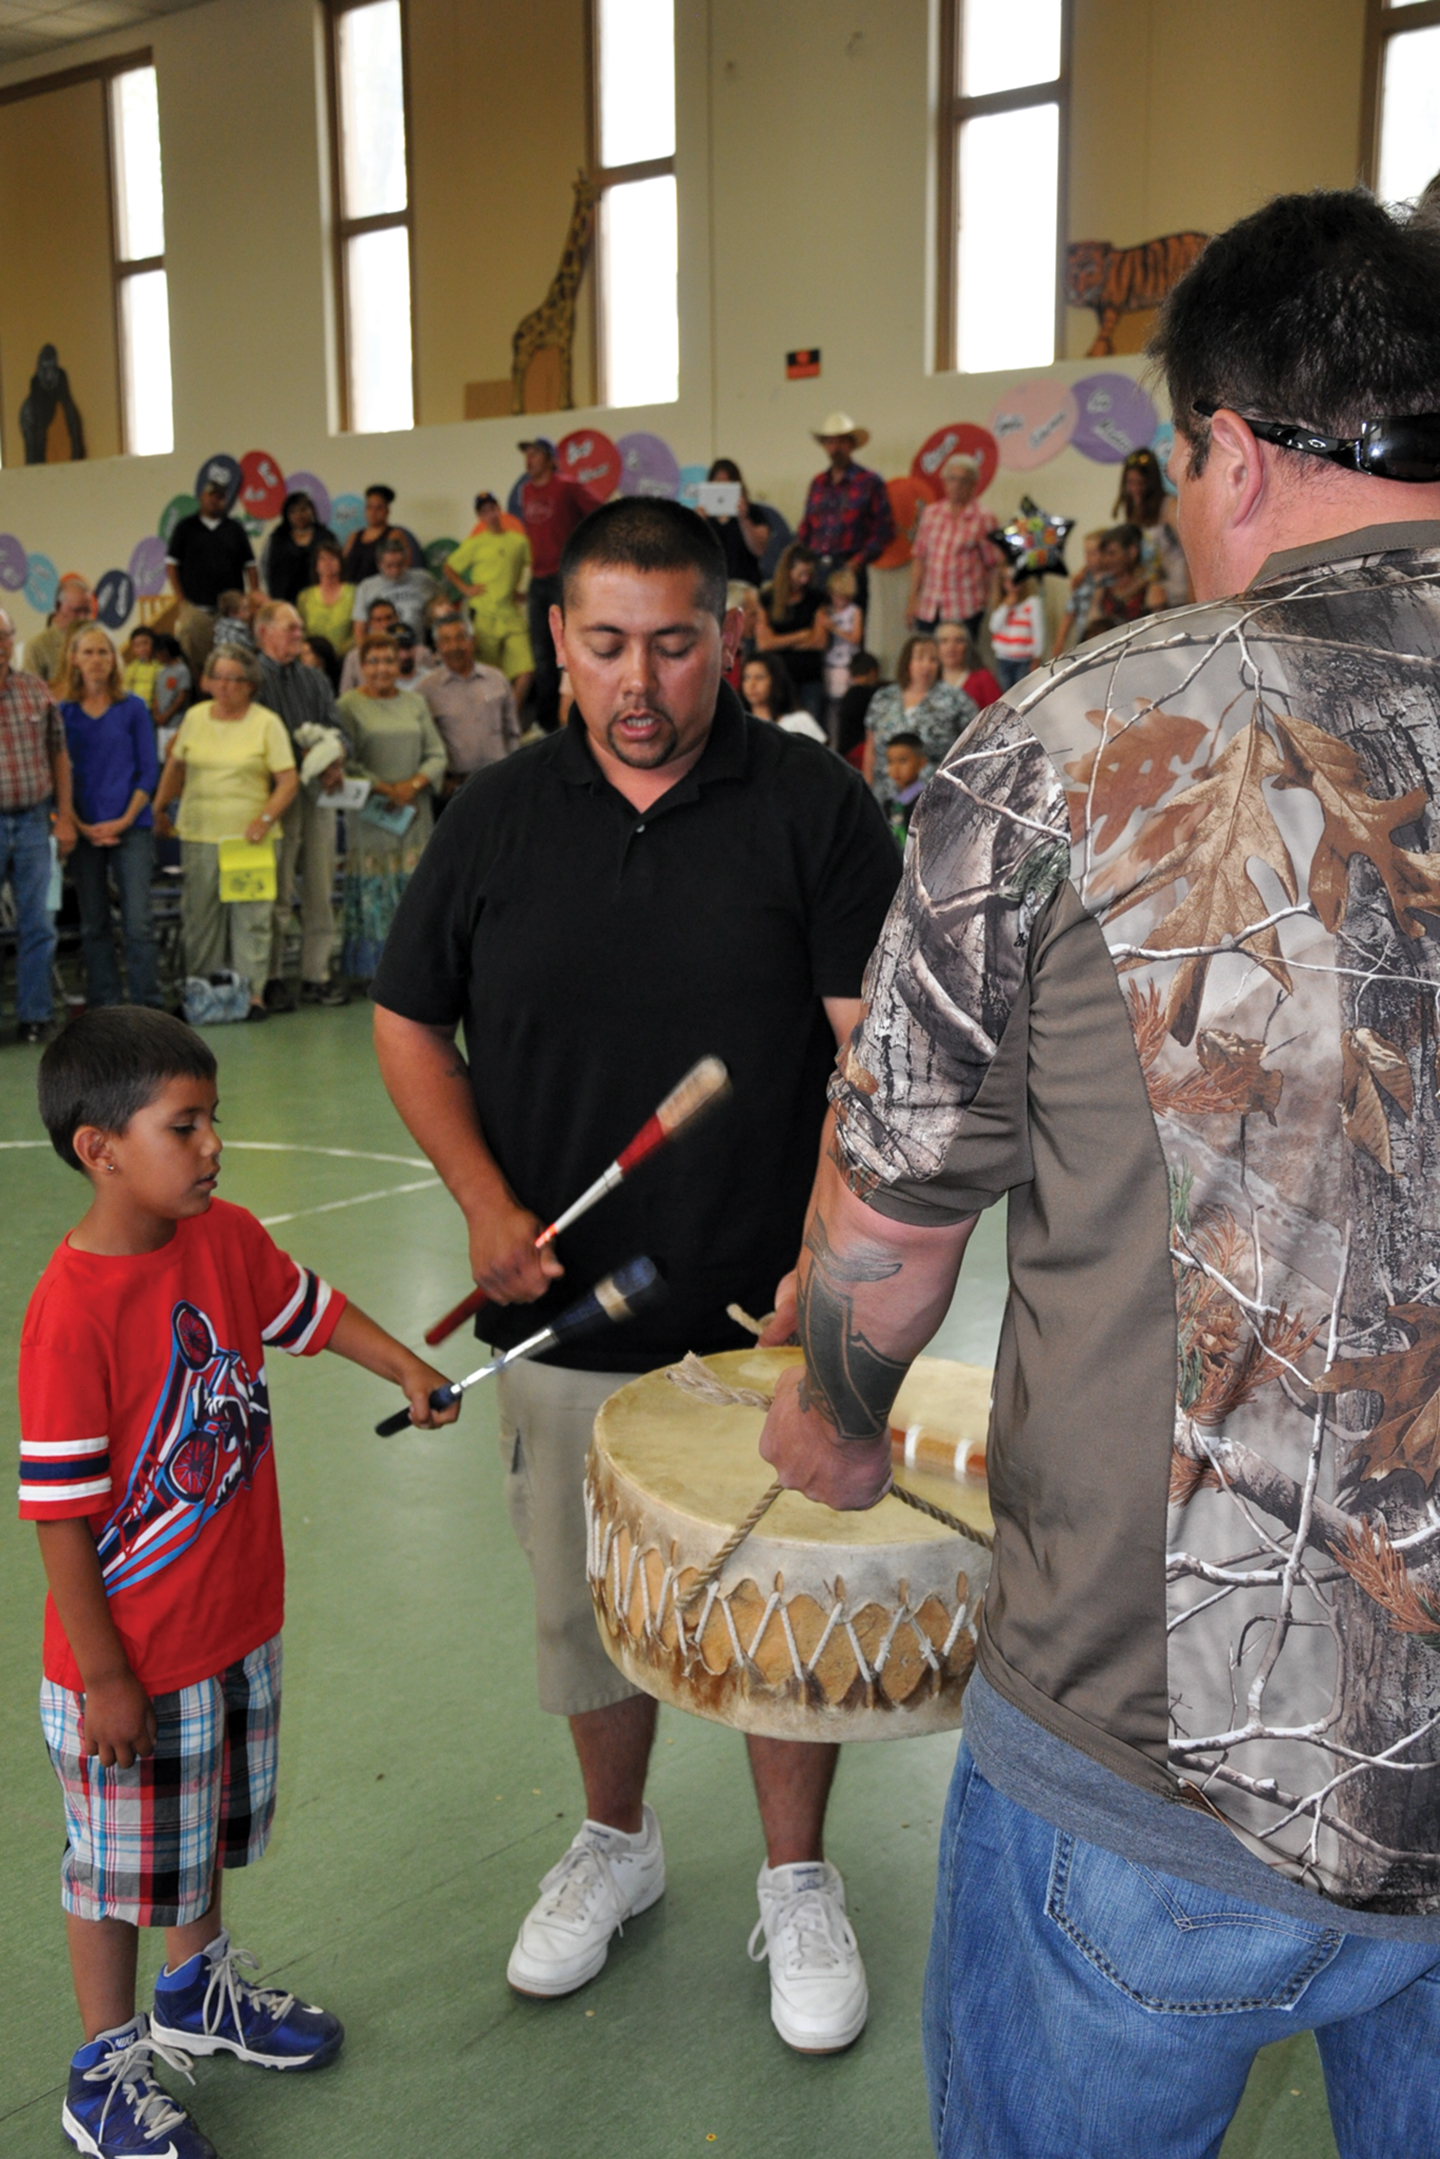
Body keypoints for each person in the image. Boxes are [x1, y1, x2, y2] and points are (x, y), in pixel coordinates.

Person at [756, 186, 1440, 2159]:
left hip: (1166, 1773)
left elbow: (884, 1231)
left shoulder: (1079, 740)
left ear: (1227, 446)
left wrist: (838, 1412)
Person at [371, 496, 899, 2053]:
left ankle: (797, 1873)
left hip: (764, 1318)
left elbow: (869, 1059)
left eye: (676, 644)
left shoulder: (814, 804)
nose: (642, 682)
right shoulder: (498, 815)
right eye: (606, 644)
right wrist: (480, 1200)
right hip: (562, 1309)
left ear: (727, 635)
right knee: (585, 1609)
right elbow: (409, 1017)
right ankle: (619, 1838)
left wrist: (828, 1256)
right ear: (557, 642)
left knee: (784, 1606)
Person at [21, 1006, 456, 2159]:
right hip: (128, 1666)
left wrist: (405, 1363)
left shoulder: (224, 1240)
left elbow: (308, 1311)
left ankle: (193, 1994)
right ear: (98, 1148)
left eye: (214, 1119)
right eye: (186, 1125)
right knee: (115, 1874)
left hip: (230, 1630)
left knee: (200, 1833)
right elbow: (60, 1519)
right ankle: (102, 2069)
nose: (213, 1145)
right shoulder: (71, 1313)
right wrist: (106, 1673)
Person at [152, 646, 297, 1021]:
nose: (226, 686)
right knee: (200, 915)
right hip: (200, 832)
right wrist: (159, 808)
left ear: (250, 684)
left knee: (252, 916)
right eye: (219, 677)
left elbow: (288, 780)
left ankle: (252, 995)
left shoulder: (267, 722)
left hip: (250, 839)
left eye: (235, 679)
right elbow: (175, 766)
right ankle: (201, 991)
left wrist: (265, 818)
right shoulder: (196, 717)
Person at [57, 626, 161, 1011]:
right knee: (94, 922)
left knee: (138, 922)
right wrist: (79, 824)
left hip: (131, 826)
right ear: (74, 659)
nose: (97, 659)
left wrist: (122, 821)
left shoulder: (133, 707)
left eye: (103, 652)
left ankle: (147, 1005)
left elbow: (148, 772)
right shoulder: (63, 713)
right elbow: (59, 773)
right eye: (88, 652)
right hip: (83, 830)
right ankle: (106, 1006)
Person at [253, 601, 350, 1011]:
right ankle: (272, 977)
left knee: (319, 890)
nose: (299, 635)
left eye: (300, 629)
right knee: (275, 893)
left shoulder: (314, 680)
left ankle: (316, 975)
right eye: (290, 628)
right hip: (275, 799)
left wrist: (336, 758)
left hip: (317, 798)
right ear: (264, 632)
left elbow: (338, 729)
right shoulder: (252, 679)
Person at [337, 635, 446, 982]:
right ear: (361, 666)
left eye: (387, 660)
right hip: (372, 812)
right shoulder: (348, 706)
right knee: (376, 886)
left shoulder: (415, 702)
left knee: (416, 887)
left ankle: (416, 966)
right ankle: (376, 970)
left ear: (399, 664)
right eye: (373, 661)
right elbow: (347, 762)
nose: (381, 669)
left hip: (414, 810)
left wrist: (412, 785)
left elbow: (437, 754)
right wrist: (385, 788)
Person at [0, 606, 75, 1042]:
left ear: (13, 640)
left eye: (4, 637)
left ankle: (35, 1015)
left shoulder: (35, 690)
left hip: (32, 822)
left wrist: (64, 817)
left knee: (39, 925)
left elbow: (59, 755)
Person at [517, 437, 589, 731]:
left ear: (549, 458)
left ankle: (571, 718)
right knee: (541, 652)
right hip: (538, 578)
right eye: (526, 455)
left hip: (564, 577)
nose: (529, 460)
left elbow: (598, 511)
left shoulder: (568, 486)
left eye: (534, 454)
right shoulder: (526, 491)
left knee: (567, 648)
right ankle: (545, 724)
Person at [797, 413, 894, 617]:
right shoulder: (818, 483)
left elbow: (884, 529)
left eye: (841, 441)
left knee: (850, 630)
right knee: (816, 629)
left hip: (850, 566)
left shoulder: (870, 482)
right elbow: (807, 526)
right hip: (817, 566)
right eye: (830, 442)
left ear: (851, 445)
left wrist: (858, 561)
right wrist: (801, 559)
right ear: (825, 446)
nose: (835, 447)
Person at [445, 493, 535, 710]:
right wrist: (466, 588)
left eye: (493, 509)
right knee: (487, 673)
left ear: (500, 509)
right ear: (479, 516)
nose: (491, 515)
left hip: (511, 613)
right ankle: (492, 715)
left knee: (527, 669)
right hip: (484, 613)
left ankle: (511, 714)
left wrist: (525, 592)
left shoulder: (518, 541)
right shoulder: (475, 543)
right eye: (485, 511)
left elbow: (536, 566)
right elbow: (449, 567)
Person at [165, 479, 258, 680]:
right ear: (202, 497)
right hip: (195, 607)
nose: (215, 501)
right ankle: (201, 693)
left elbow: (250, 565)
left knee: (233, 658)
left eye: (220, 497)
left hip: (230, 611)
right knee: (192, 654)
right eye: (211, 496)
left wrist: (252, 598)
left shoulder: (235, 529)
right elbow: (171, 565)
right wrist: (181, 599)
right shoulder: (185, 527)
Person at [419, 613, 521, 795]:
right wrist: (441, 782)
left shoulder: (496, 678)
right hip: (456, 787)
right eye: (446, 640)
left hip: (502, 779)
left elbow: (512, 730)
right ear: (437, 646)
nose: (454, 646)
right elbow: (423, 744)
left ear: (473, 640)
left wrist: (513, 768)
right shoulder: (425, 690)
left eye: (461, 638)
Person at [907, 454, 1002, 642]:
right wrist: (912, 599)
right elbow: (919, 557)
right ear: (944, 482)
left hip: (966, 605)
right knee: (929, 657)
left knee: (960, 660)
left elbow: (994, 564)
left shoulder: (984, 518)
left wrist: (996, 605)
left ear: (974, 484)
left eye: (964, 480)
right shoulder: (930, 514)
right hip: (930, 605)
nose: (957, 485)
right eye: (952, 479)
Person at [863, 634, 975, 793]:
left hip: (934, 791)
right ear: (907, 662)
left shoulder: (956, 699)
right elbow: (870, 749)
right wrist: (867, 787)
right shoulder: (884, 697)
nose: (926, 666)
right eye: (919, 659)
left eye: (933, 660)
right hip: (885, 790)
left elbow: (973, 743)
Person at [756, 542, 828, 718]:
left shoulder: (816, 598)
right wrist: (802, 635)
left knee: (810, 730)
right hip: (779, 677)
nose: (804, 579)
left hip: (809, 677)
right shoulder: (767, 598)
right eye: (800, 574)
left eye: (808, 574)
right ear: (787, 570)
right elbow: (764, 644)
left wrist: (780, 641)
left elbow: (820, 641)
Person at [1114, 445, 1189, 604]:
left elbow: (1190, 550)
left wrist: (1193, 595)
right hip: (1152, 588)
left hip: (1177, 588)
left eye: (1140, 483)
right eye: (1130, 483)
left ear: (1151, 482)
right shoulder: (1133, 510)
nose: (1135, 489)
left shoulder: (1169, 507)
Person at [1078, 522, 1165, 642]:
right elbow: (1092, 639)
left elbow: (1161, 637)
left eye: (1112, 553)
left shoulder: (1152, 592)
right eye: (1104, 554)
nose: (1107, 560)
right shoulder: (1101, 594)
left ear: (1132, 552)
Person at [698, 457, 772, 581]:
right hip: (713, 585)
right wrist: (698, 523)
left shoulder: (753, 512)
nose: (723, 487)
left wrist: (743, 519)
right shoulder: (703, 516)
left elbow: (759, 549)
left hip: (745, 582)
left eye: (728, 482)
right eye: (718, 481)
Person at [354, 534, 435, 640]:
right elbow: (359, 627)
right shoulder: (366, 587)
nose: (395, 571)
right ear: (379, 564)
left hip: (417, 647)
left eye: (399, 565)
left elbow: (440, 605)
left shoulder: (424, 579)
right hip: (381, 648)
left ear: (406, 561)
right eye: (389, 566)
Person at [262, 491, 334, 606]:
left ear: (312, 510)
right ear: (286, 514)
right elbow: (266, 569)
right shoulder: (277, 538)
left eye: (303, 509)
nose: (299, 515)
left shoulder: (326, 537)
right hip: (284, 601)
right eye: (293, 511)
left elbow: (336, 566)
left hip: (320, 601)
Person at [740, 652, 826, 741]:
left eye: (759, 677)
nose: (752, 685)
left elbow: (823, 753)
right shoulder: (740, 726)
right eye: (746, 678)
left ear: (775, 680)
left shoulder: (799, 721)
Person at [26, 575, 94, 687]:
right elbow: (33, 697)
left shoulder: (98, 643)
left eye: (87, 612)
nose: (83, 618)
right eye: (77, 611)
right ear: (58, 607)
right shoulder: (37, 648)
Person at [340, 483, 412, 586]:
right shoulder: (354, 535)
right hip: (352, 591)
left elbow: (404, 566)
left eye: (378, 508)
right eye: (369, 507)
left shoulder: (394, 535)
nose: (373, 512)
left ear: (387, 511)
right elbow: (341, 564)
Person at [988, 567, 1048, 688]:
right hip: (1003, 658)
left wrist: (1037, 656)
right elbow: (993, 627)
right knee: (1005, 692)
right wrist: (1006, 606)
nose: (1012, 584)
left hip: (1024, 659)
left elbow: (1039, 631)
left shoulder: (1031, 603)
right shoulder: (1001, 604)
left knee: (1024, 691)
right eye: (1007, 580)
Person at [297, 539, 357, 658]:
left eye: (333, 558)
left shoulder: (355, 592)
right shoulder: (304, 596)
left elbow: (358, 631)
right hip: (312, 659)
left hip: (345, 658)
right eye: (322, 558)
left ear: (341, 563)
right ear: (316, 565)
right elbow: (300, 632)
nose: (327, 562)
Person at [1051, 530, 1105, 657]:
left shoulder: (1112, 579)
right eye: (1086, 553)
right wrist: (1060, 641)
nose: (1089, 558)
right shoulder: (1081, 581)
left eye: (1094, 553)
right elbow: (1069, 613)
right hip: (1085, 641)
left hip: (1106, 640)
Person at [822, 566, 863, 717]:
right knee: (832, 705)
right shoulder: (826, 610)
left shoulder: (854, 611)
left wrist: (834, 628)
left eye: (843, 596)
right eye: (836, 595)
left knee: (846, 704)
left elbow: (856, 638)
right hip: (830, 662)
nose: (839, 600)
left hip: (848, 662)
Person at [338, 596, 402, 692]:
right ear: (370, 624)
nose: (385, 624)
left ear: (397, 619)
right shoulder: (354, 657)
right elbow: (345, 692)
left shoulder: (412, 652)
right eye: (378, 620)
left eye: (388, 618)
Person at [935, 618, 1000, 711]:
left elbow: (999, 716)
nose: (951, 647)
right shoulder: (928, 680)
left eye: (958, 641)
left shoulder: (984, 678)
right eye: (944, 641)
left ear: (967, 646)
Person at [880, 730, 927, 843]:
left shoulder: (926, 802)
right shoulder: (889, 803)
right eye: (890, 762)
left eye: (902, 761)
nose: (895, 769)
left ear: (921, 763)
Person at [834, 650, 881, 763]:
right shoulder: (871, 694)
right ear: (873, 672)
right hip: (857, 753)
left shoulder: (848, 695)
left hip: (844, 751)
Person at [153, 635, 192, 760]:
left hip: (176, 721)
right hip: (162, 723)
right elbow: (157, 695)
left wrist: (167, 715)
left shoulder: (182, 670)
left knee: (176, 756)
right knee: (164, 757)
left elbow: (182, 696)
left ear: (165, 651)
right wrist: (157, 714)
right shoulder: (161, 672)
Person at [121, 626, 161, 717]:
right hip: (135, 711)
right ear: (133, 649)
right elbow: (126, 690)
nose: (142, 649)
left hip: (154, 710)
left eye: (145, 643)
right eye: (137, 646)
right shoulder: (131, 668)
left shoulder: (159, 666)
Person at [210, 589, 257, 655]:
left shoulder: (223, 627)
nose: (249, 612)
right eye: (244, 608)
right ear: (232, 613)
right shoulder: (231, 635)